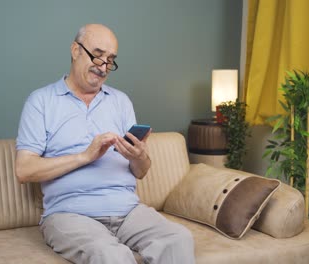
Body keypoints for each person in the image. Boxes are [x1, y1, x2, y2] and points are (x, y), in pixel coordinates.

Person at [15, 24, 195, 264]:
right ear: (75, 50)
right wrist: (85, 156)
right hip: (70, 215)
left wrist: (138, 156)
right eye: (97, 55)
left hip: (129, 211)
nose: (103, 66)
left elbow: (141, 172)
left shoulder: (121, 102)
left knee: (178, 238)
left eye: (110, 60)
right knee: (112, 255)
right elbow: (24, 170)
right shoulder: (41, 101)